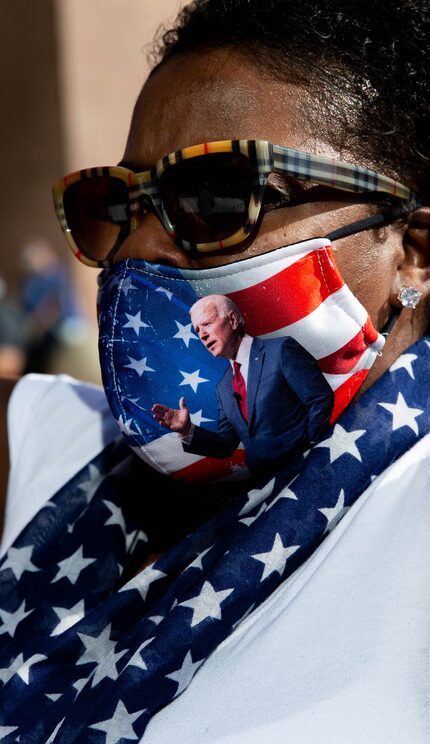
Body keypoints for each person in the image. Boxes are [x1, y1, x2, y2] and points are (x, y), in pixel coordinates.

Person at [0, 1, 429, 742]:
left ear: (414, 251)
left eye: (216, 196)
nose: (137, 248)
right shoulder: (53, 452)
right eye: (114, 204)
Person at [153, 294, 334, 473]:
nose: (203, 335)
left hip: (309, 469)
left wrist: (308, 450)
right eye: (198, 330)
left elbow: (320, 399)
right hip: (268, 488)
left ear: (232, 320)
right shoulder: (223, 387)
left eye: (207, 324)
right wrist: (187, 430)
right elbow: (225, 445)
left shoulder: (280, 351)